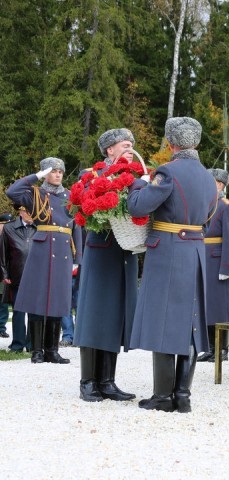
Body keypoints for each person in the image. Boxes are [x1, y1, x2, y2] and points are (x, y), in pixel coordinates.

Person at [128, 117, 217, 413]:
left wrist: (138, 184)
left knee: (164, 319)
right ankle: (183, 396)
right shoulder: (208, 177)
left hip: (168, 250)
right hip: (195, 250)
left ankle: (162, 397)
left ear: (171, 143)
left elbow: (139, 206)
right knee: (190, 322)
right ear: (197, 142)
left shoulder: (167, 172)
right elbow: (207, 214)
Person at [73, 128, 139, 402]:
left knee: (114, 316)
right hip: (100, 254)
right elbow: (84, 207)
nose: (130, 147)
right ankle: (88, 381)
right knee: (93, 315)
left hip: (125, 253)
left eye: (132, 144)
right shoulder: (92, 177)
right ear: (110, 150)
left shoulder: (136, 177)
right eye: (125, 144)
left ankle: (108, 381)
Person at [6, 157, 83, 364]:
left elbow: (77, 226)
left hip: (63, 249)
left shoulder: (70, 196)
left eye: (60, 171)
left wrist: (78, 257)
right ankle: (37, 350)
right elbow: (11, 192)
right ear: (45, 173)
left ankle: (52, 350)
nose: (58, 174)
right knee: (39, 299)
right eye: (53, 171)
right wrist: (35, 177)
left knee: (59, 299)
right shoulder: (36, 193)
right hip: (42, 246)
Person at [197, 168, 229, 363]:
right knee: (207, 307)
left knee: (221, 308)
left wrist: (226, 267)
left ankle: (222, 350)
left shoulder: (226, 207)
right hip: (205, 260)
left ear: (220, 184)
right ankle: (210, 349)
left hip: (218, 261)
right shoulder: (206, 204)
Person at [1, 206, 37, 352]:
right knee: (18, 312)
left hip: (36, 276)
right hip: (17, 275)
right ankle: (17, 344)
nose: (30, 215)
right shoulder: (9, 228)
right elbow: (2, 252)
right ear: (21, 212)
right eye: (28, 212)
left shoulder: (39, 227)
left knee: (35, 312)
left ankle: (32, 344)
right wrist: (4, 274)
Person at [0, 213, 13, 339]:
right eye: (4, 224)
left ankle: (1, 328)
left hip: (3, 275)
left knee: (3, 304)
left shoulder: (9, 236)